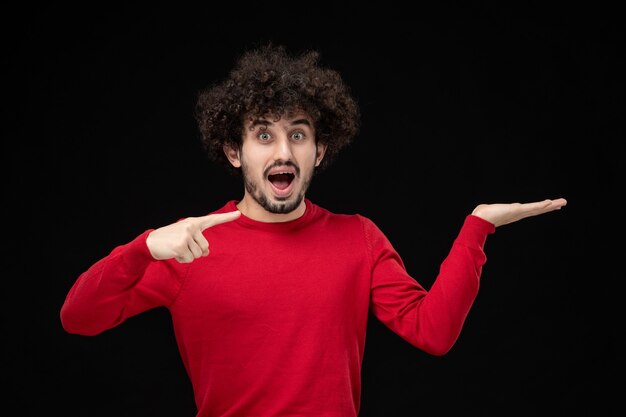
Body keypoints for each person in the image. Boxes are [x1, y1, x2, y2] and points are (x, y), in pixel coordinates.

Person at [60, 43, 567, 417]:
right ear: (235, 152)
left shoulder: (359, 239)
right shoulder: (187, 246)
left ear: (318, 151)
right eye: (263, 135)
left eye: (297, 135)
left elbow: (432, 332)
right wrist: (145, 247)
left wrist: (476, 228)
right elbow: (78, 318)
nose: (282, 152)